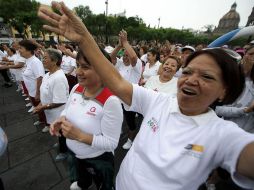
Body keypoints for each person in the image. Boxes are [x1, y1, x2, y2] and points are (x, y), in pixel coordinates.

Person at [38, 3, 254, 190]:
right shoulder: (159, 101)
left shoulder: (222, 134)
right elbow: (118, 82)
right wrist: (84, 38)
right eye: (187, 72)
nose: (191, 80)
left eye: (206, 76)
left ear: (225, 90)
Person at [49, 48, 123, 190]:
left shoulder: (111, 100)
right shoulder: (77, 87)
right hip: (76, 154)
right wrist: (61, 118)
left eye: (85, 67)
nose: (77, 72)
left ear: (103, 70)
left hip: (98, 158)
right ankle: (84, 184)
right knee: (81, 176)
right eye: (78, 65)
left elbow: (111, 143)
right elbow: (67, 109)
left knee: (104, 184)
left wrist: (78, 135)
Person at [33, 48, 69, 159]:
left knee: (62, 133)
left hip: (59, 113)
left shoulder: (58, 78)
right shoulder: (48, 74)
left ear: (54, 61)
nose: (42, 60)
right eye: (42, 58)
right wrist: (40, 105)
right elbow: (46, 94)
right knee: (58, 131)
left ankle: (64, 152)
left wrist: (43, 107)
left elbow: (60, 100)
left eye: (45, 58)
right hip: (51, 112)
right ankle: (61, 144)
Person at [110, 30, 143, 150]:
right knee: (117, 116)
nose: (125, 58)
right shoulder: (120, 64)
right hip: (117, 97)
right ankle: (118, 130)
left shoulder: (136, 66)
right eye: (124, 55)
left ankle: (130, 139)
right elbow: (111, 57)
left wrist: (125, 42)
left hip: (130, 99)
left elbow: (133, 57)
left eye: (127, 56)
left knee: (130, 122)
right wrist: (119, 45)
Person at [215, 45, 254, 133]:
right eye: (251, 54)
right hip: (226, 132)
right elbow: (217, 109)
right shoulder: (231, 79)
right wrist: (245, 110)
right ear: (245, 55)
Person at [19, 40, 46, 125]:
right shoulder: (28, 60)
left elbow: (40, 78)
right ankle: (41, 120)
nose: (19, 50)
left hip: (37, 92)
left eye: (21, 48)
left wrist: (37, 93)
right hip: (32, 91)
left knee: (42, 108)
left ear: (28, 50)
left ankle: (47, 123)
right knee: (37, 108)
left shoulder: (35, 62)